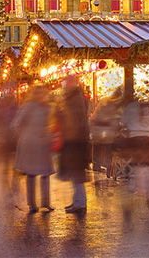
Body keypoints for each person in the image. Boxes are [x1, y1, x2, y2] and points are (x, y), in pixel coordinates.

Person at [12, 84, 54, 213]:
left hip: (43, 144)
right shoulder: (28, 107)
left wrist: (48, 133)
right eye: (38, 93)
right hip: (30, 145)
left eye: (42, 93)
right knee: (31, 174)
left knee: (45, 174)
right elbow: (16, 124)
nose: (40, 96)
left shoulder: (47, 107)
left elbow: (50, 123)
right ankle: (32, 204)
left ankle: (46, 202)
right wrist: (25, 135)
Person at [56, 76, 91, 214]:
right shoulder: (74, 98)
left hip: (76, 141)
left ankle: (80, 203)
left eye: (66, 83)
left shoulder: (74, 99)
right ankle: (77, 201)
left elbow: (75, 121)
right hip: (75, 140)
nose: (64, 86)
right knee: (75, 173)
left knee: (77, 173)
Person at [90, 89, 122, 178]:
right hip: (105, 129)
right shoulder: (113, 103)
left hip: (97, 127)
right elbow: (113, 118)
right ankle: (108, 167)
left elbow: (96, 114)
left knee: (97, 146)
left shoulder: (104, 100)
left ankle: (96, 165)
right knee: (108, 147)